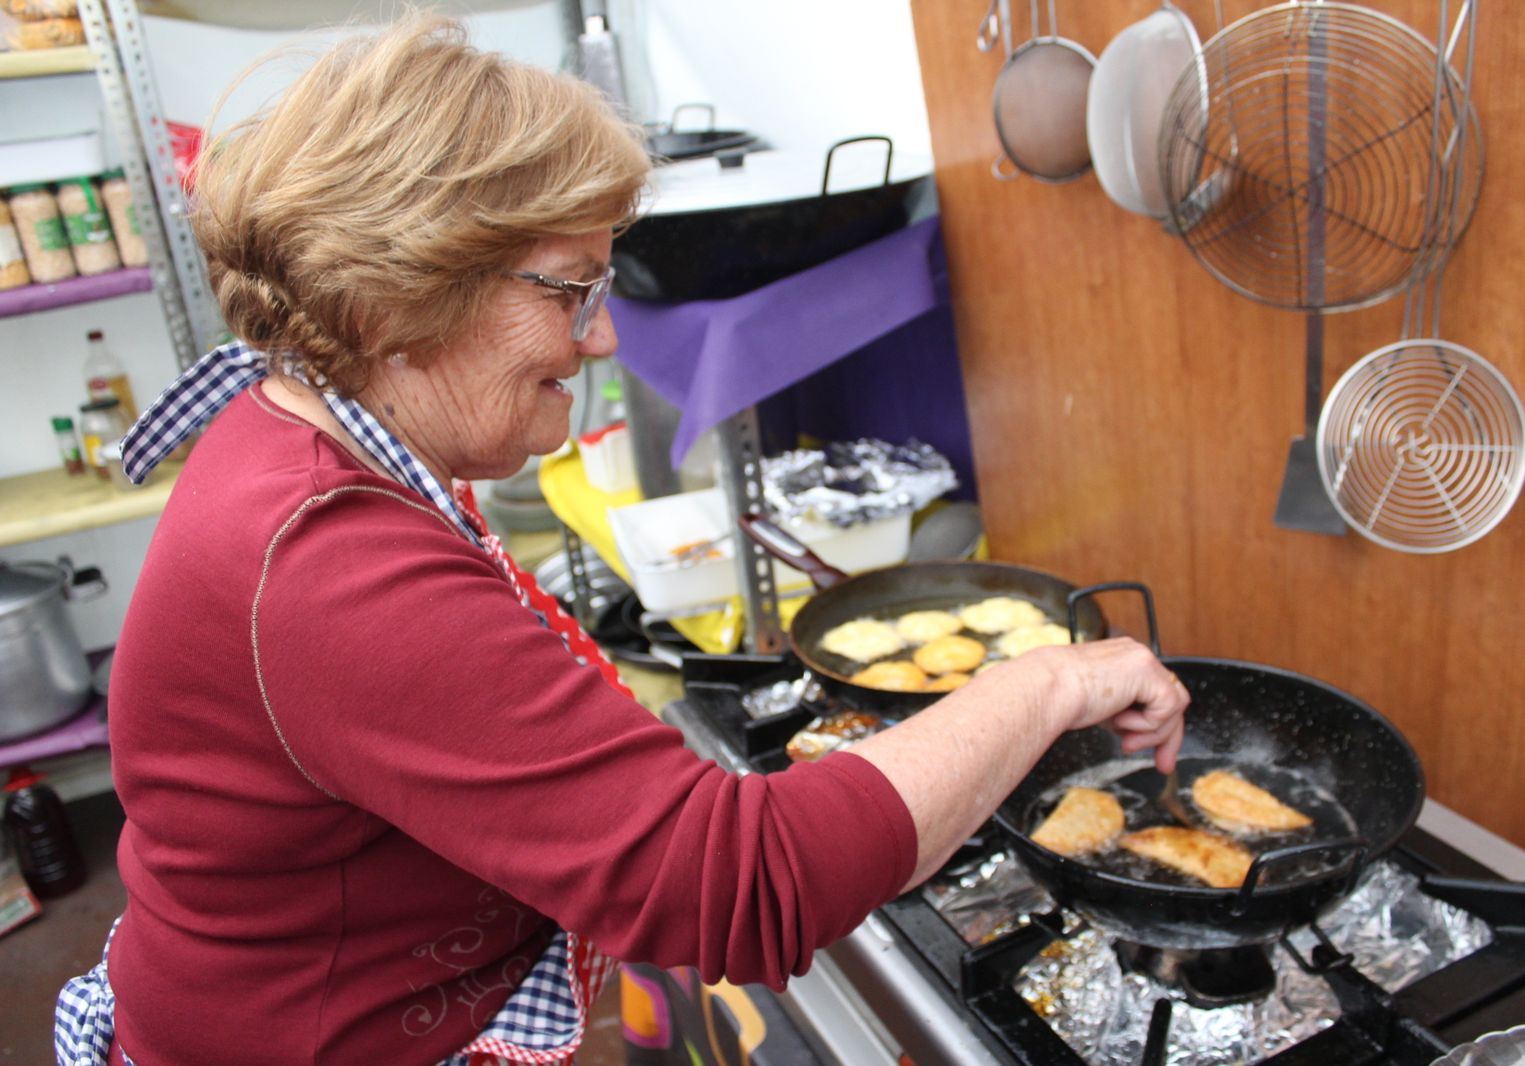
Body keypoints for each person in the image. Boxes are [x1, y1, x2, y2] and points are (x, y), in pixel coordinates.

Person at [54, 16, 1187, 1066]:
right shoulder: (326, 567)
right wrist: (1048, 681)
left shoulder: (299, 430)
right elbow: (742, 887)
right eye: (568, 290)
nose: (600, 334)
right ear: (389, 308)